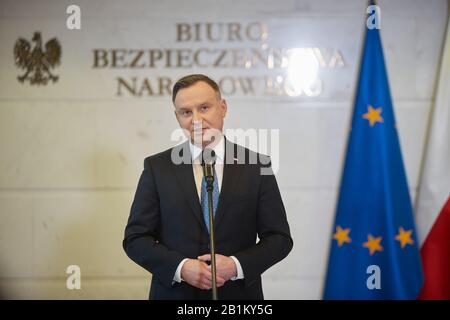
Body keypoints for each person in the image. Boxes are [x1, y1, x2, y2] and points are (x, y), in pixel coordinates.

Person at [123, 74, 293, 300]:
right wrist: (181, 268)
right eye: (186, 112)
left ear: (223, 107)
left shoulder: (256, 166)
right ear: (177, 117)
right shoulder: (157, 167)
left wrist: (235, 265)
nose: (195, 119)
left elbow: (279, 238)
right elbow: (135, 238)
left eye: (204, 108)